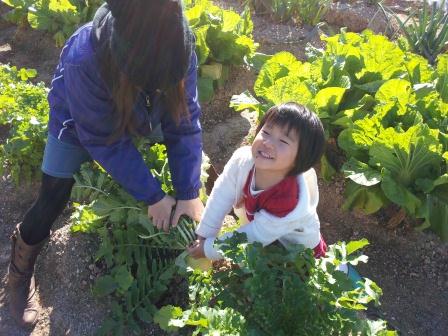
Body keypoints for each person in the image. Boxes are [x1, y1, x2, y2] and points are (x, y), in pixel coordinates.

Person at [8, 0, 204, 329]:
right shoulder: (84, 59)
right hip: (78, 119)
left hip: (143, 111)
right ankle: (19, 271)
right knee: (53, 195)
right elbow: (103, 140)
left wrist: (188, 192)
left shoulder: (177, 43)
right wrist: (154, 197)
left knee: (181, 167)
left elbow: (184, 123)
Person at [188, 102, 327, 261]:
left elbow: (252, 237)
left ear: (300, 159)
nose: (267, 142)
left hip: (294, 250)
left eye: (283, 141)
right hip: (262, 236)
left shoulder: (288, 200)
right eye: (266, 132)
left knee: (288, 276)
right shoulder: (243, 160)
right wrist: (205, 233)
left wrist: (209, 249)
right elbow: (221, 193)